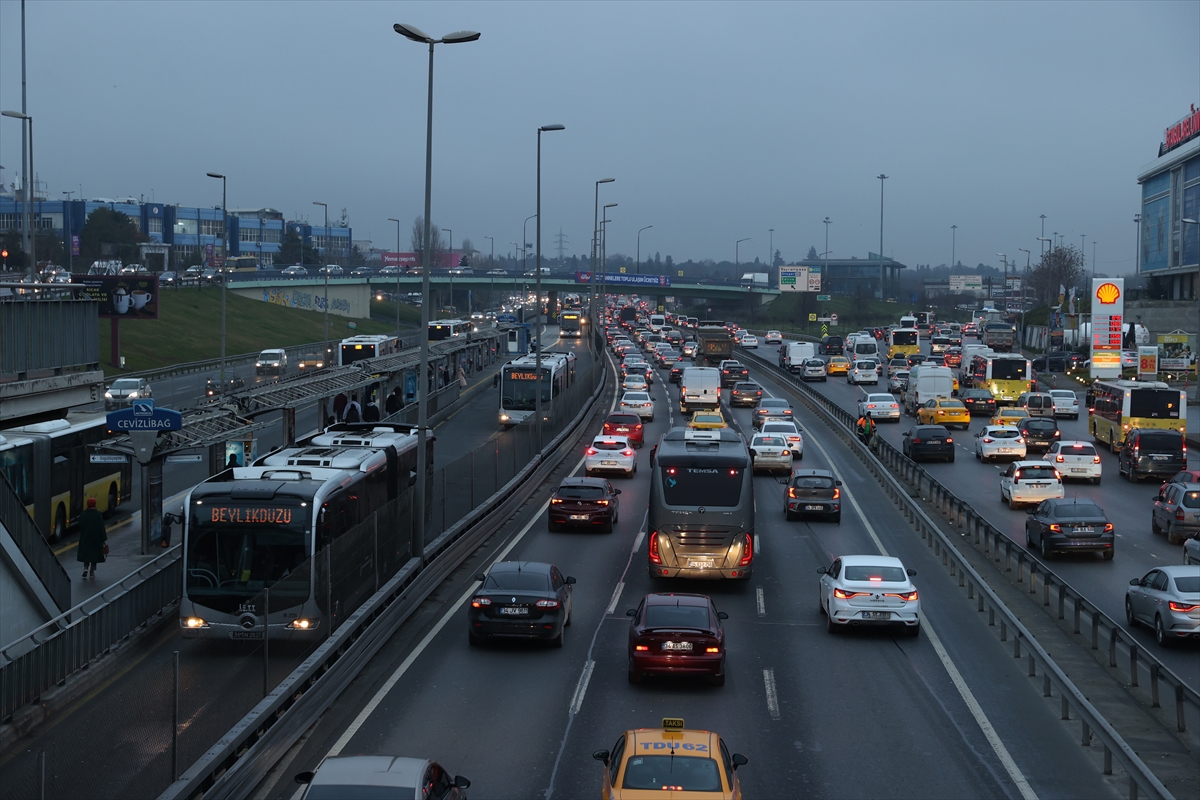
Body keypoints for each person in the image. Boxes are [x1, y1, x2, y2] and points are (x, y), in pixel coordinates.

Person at [77, 497, 108, 579]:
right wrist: (104, 539)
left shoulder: (84, 514)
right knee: (95, 555)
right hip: (96, 538)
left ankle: (85, 568)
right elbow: (101, 527)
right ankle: (92, 572)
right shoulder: (98, 514)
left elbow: (79, 524)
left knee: (86, 553)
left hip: (85, 537)